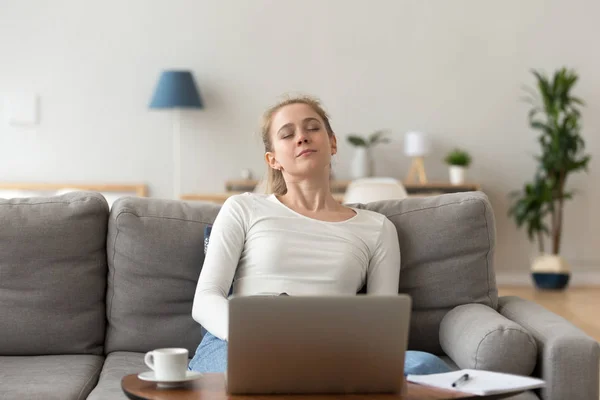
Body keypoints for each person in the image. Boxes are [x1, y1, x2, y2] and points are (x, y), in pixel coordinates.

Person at [188, 95, 450, 375]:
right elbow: (205, 299)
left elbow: (382, 327)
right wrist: (256, 336)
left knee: (427, 365)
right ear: (273, 159)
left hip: (331, 349)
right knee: (270, 373)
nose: (301, 137)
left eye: (312, 128)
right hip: (242, 342)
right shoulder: (243, 208)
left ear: (332, 143)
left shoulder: (378, 228)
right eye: (287, 134)